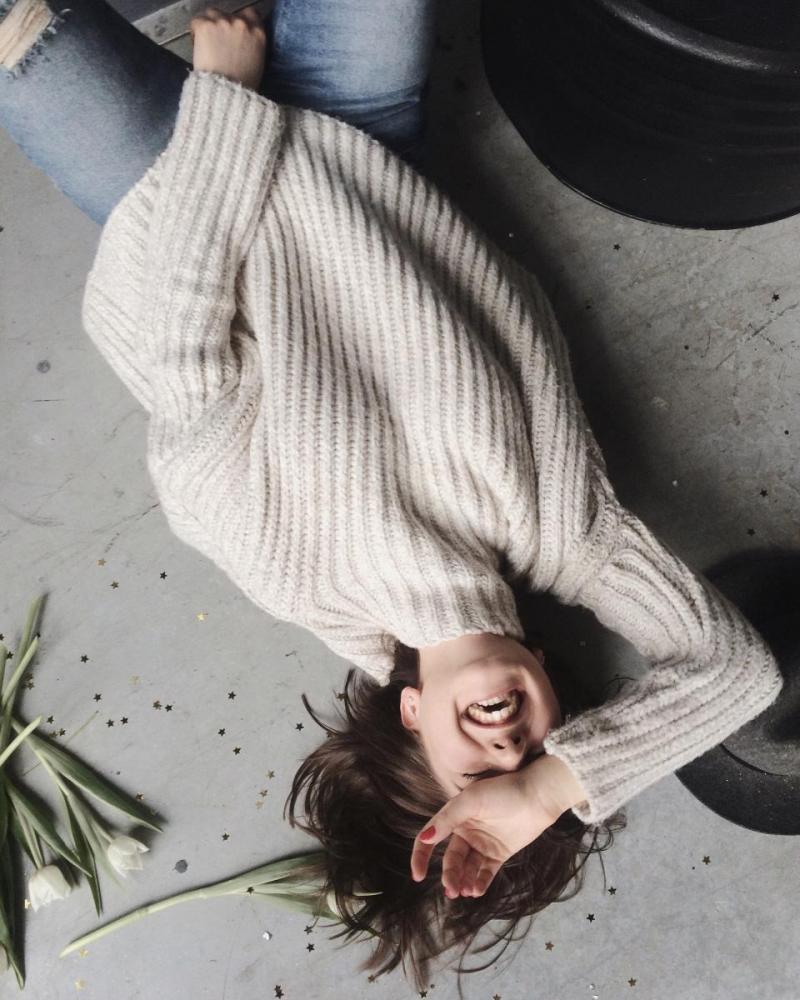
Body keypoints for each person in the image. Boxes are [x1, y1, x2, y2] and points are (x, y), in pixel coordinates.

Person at [0, 0, 784, 992]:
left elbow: (183, 348)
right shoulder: (563, 531)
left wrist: (226, 100)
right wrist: (551, 791)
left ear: (410, 711)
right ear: (555, 701)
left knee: (20, 30)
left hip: (173, 182)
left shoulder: (298, 575)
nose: (510, 744)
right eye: (537, 754)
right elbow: (739, 675)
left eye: (480, 772)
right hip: (365, 143)